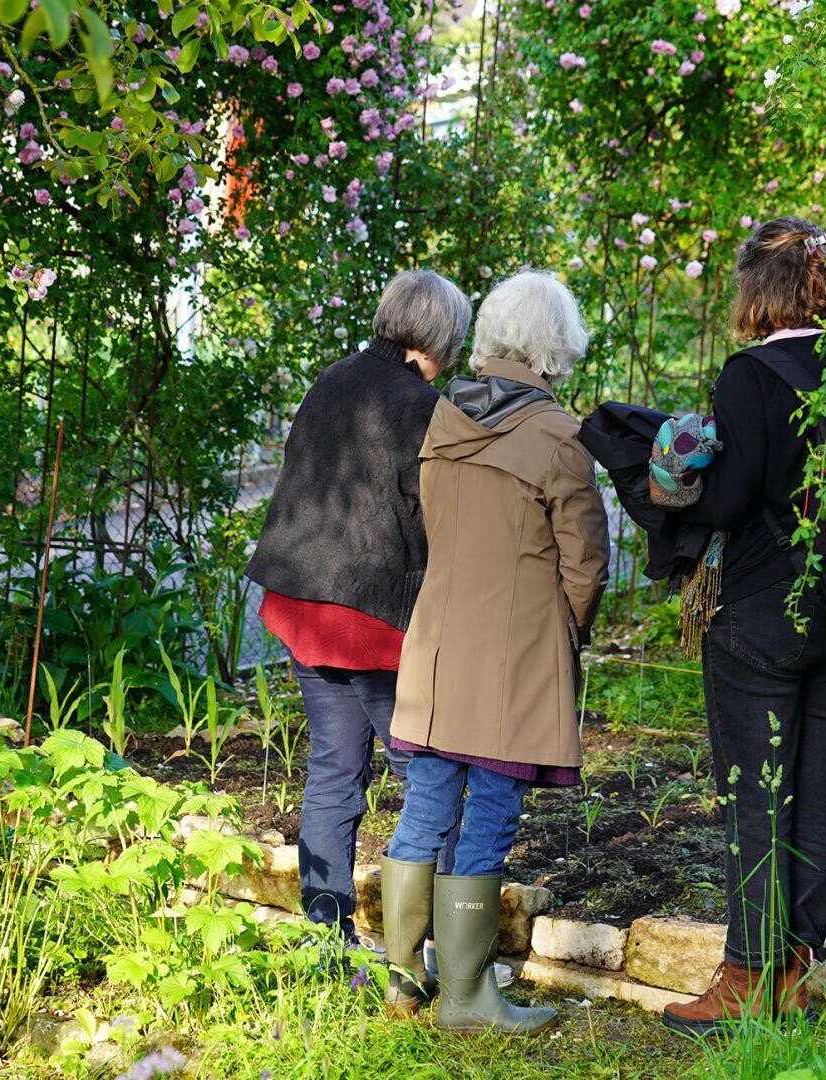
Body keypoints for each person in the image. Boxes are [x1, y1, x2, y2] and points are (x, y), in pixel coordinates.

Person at [660, 217, 826, 1036]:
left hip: (760, 613)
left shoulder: (750, 376)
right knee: (818, 788)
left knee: (756, 793)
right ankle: (793, 974)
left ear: (757, 290)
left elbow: (726, 500)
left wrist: (675, 470)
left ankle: (748, 975)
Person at [380, 271, 610, 1036]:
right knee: (489, 817)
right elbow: (586, 564)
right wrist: (565, 632)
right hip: (514, 658)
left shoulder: (443, 418)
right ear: (558, 344)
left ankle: (403, 978)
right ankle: (468, 998)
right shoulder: (558, 436)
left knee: (425, 807)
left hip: (436, 650)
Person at [247, 269, 473, 943]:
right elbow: (440, 522)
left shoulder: (332, 379)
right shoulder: (423, 408)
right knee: (430, 780)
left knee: (334, 772)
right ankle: (440, 949)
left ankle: (326, 943)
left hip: (303, 604)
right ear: (444, 334)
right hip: (370, 619)